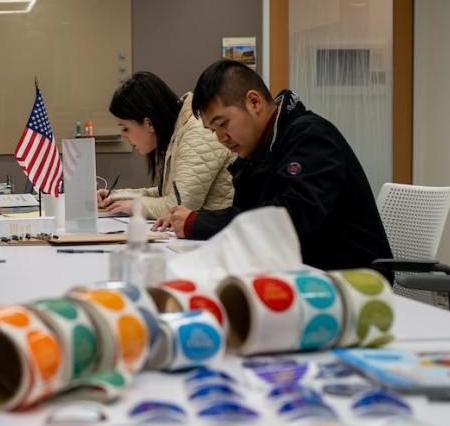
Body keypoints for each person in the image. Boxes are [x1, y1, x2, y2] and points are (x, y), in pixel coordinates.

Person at [153, 59, 391, 271]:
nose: (220, 138)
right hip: (297, 271)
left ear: (254, 102)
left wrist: (198, 222)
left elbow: (287, 220)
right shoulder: (257, 151)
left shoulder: (310, 137)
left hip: (351, 281)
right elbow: (249, 218)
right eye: (213, 131)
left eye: (223, 124)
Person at [96, 71, 233, 220]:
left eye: (125, 128)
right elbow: (168, 193)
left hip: (219, 238)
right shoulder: (177, 131)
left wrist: (135, 206)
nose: (124, 136)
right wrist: (117, 196)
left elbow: (180, 205)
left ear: (148, 123)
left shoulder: (197, 132)